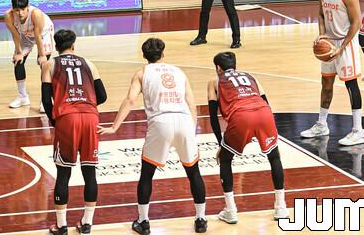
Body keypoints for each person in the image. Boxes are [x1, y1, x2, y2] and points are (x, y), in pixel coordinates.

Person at [98, 38, 208, 235]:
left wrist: (114, 127)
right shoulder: (179, 72)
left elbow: (130, 100)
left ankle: (143, 221)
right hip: (184, 120)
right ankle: (201, 220)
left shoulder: (141, 73)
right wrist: (191, 132)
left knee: (147, 174)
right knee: (194, 172)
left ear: (144, 55)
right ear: (163, 53)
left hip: (161, 122)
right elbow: (192, 105)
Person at [207, 51, 288, 223]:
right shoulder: (251, 77)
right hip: (264, 113)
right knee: (274, 156)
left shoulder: (214, 81)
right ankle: (281, 207)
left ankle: (230, 210)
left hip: (241, 116)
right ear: (235, 65)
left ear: (218, 68)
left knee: (225, 159)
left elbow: (213, 117)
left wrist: (220, 144)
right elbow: (266, 101)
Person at [41, 29, 107, 235]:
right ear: (73, 45)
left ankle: (61, 226)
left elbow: (45, 100)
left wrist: (55, 121)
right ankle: (87, 223)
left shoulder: (50, 65)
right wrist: (86, 104)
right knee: (90, 172)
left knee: (63, 173)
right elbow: (102, 96)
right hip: (90, 117)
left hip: (67, 119)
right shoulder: (89, 64)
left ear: (56, 46)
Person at [300, 0, 364, 146]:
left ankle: (358, 131)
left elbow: (357, 22)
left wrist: (342, 47)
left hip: (346, 43)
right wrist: (322, 35)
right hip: (330, 42)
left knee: (351, 85)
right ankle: (322, 124)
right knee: (326, 84)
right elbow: (321, 14)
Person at [5, 0, 55, 111]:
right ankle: (23, 96)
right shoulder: (8, 16)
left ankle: (45, 100)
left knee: (44, 66)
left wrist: (41, 55)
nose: (20, 13)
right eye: (17, 10)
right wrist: (18, 52)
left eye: (23, 9)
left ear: (28, 7)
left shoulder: (36, 14)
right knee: (18, 61)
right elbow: (15, 35)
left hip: (43, 34)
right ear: (13, 9)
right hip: (25, 35)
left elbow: (38, 35)